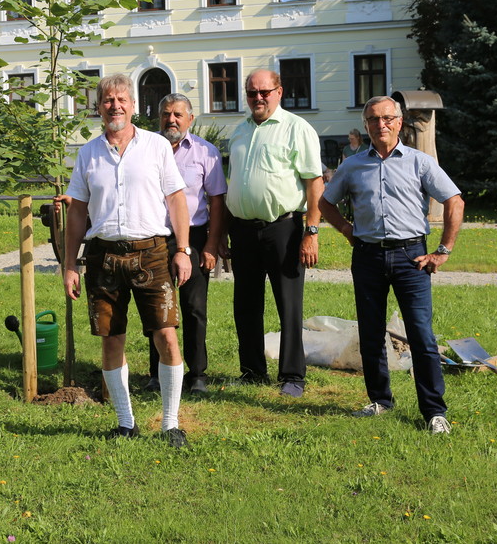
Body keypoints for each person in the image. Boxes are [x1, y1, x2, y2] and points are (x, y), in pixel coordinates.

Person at [319, 96, 463, 434]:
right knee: (371, 333)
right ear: (366, 124)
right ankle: (380, 400)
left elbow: (454, 201)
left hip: (411, 258)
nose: (380, 125)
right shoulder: (353, 165)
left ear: (399, 122)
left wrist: (443, 250)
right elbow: (326, 202)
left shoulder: (419, 162)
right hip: (367, 256)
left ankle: (433, 411)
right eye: (372, 119)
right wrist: (345, 229)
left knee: (422, 336)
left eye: (386, 118)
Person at [62, 74, 192, 447]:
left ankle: (170, 424)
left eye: (122, 99)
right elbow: (76, 214)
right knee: (110, 339)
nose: (115, 106)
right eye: (107, 100)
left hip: (152, 253)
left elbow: (177, 201)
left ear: (134, 105)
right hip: (104, 256)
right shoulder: (88, 153)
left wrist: (182, 250)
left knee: (166, 335)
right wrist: (70, 264)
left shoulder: (156, 147)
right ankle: (125, 422)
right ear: (99, 108)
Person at [222, 69, 323, 398]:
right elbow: (232, 184)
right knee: (246, 304)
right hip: (243, 230)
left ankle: (293, 375)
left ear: (279, 92)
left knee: (288, 304)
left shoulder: (297, 128)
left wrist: (311, 231)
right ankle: (252, 371)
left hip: (284, 228)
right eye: (252, 93)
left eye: (265, 92)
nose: (258, 98)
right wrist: (224, 230)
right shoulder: (238, 131)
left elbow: (313, 182)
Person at [144, 93, 225, 396]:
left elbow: (217, 202)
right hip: (155, 238)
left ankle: (197, 373)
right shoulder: (147, 149)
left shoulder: (207, 152)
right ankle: (156, 372)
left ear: (191, 119)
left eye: (178, 114)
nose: (171, 120)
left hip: (195, 237)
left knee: (193, 308)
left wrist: (212, 245)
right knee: (156, 308)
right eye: (166, 114)